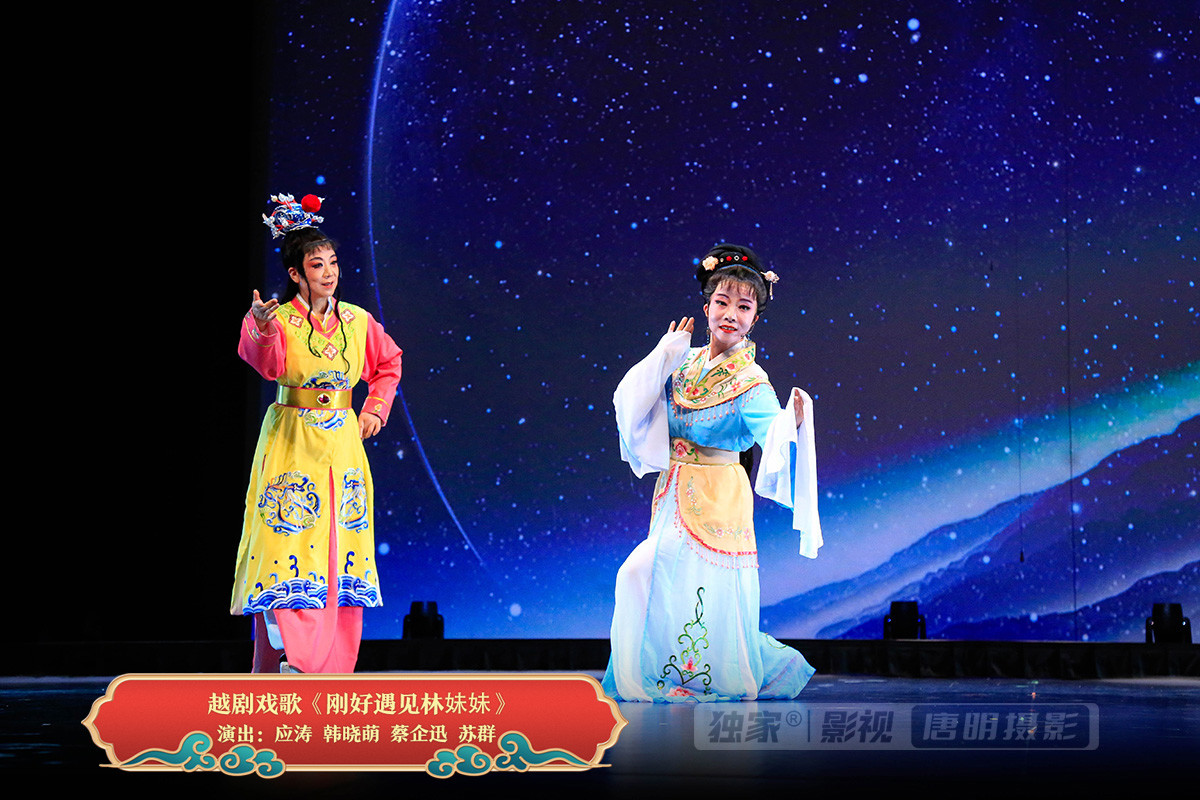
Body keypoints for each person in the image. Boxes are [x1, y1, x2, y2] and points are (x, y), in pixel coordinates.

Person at [602, 243, 822, 702]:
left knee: (690, 587)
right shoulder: (684, 362)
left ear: (754, 319)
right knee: (658, 581)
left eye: (744, 307)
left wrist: (793, 422)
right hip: (674, 489)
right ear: (707, 308)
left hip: (719, 496)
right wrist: (661, 358)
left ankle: (710, 676)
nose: (731, 315)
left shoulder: (751, 382)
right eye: (723, 302)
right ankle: (652, 675)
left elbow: (772, 431)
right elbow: (630, 406)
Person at [230, 193, 403, 673]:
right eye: (316, 265)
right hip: (292, 440)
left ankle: (330, 665)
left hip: (342, 445)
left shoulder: (357, 321)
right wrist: (260, 328)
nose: (328, 273)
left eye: (332, 263)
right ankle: (293, 656)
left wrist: (375, 409)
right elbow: (268, 367)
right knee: (287, 542)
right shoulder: (278, 319)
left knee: (340, 548)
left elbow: (389, 363)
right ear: (295, 274)